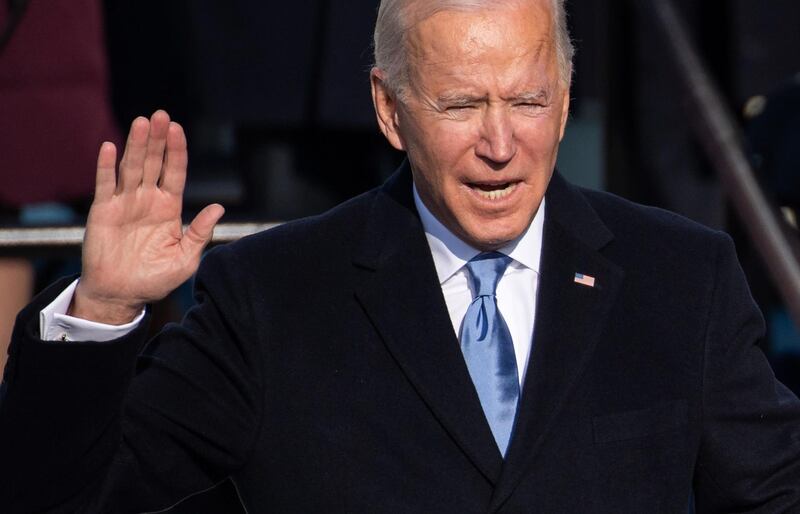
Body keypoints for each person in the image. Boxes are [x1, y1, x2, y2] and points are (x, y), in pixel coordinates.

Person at [2, 0, 800, 512]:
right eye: (461, 104)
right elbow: (68, 498)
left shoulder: (680, 277)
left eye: (526, 100)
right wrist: (102, 309)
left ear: (563, 98)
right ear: (390, 108)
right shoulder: (271, 296)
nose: (500, 144)